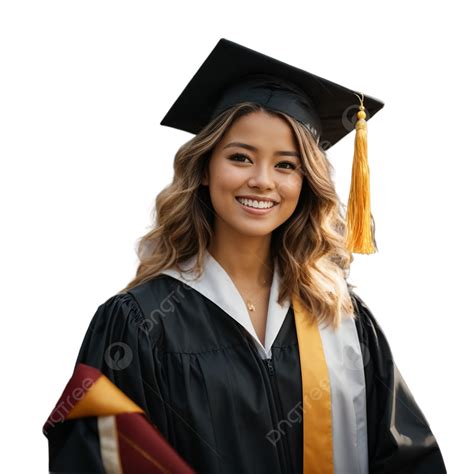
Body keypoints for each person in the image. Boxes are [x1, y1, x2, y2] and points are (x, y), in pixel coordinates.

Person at [43, 38, 447, 474]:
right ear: (204, 168)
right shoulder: (139, 323)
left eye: (286, 165)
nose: (261, 180)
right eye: (240, 157)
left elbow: (407, 460)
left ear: (306, 182)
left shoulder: (343, 321)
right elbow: (95, 457)